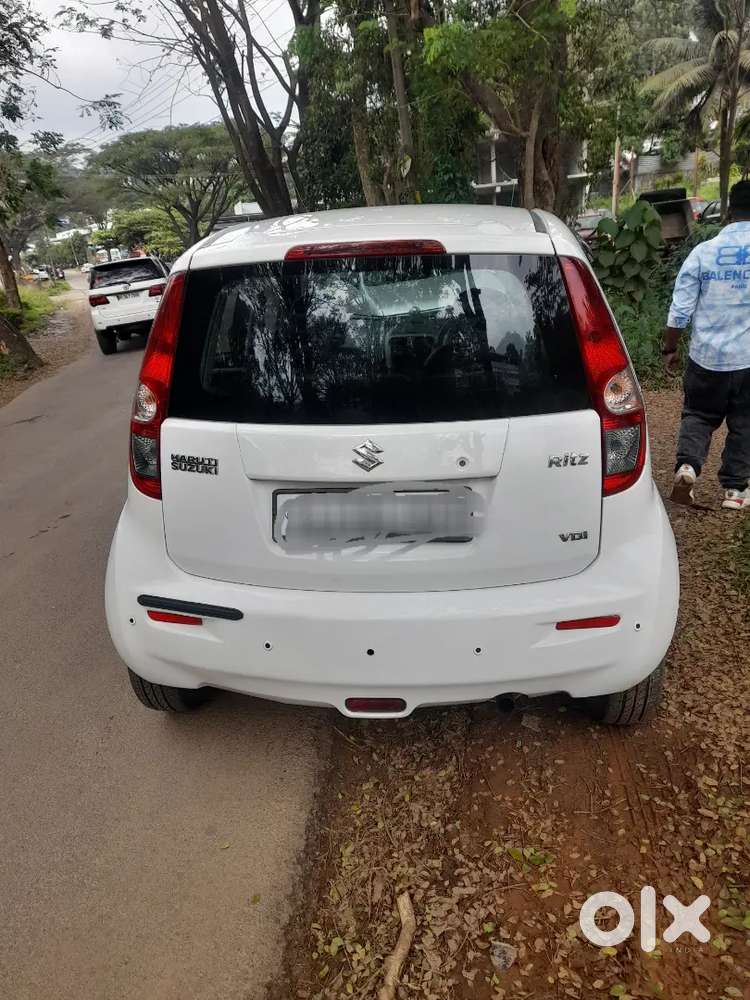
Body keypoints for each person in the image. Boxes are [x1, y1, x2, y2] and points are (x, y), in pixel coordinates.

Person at [664, 180, 750, 509]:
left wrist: (669, 349)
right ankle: (735, 492)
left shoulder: (704, 253)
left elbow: (680, 310)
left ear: (728, 213)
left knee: (698, 415)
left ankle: (687, 468)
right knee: (745, 422)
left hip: (707, 360)